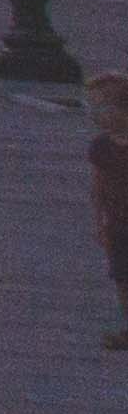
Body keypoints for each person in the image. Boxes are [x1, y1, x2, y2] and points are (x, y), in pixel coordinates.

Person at [89, 70, 128, 355]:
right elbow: (98, 186)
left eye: (106, 107)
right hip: (117, 222)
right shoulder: (101, 146)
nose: (100, 114)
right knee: (121, 276)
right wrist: (100, 223)